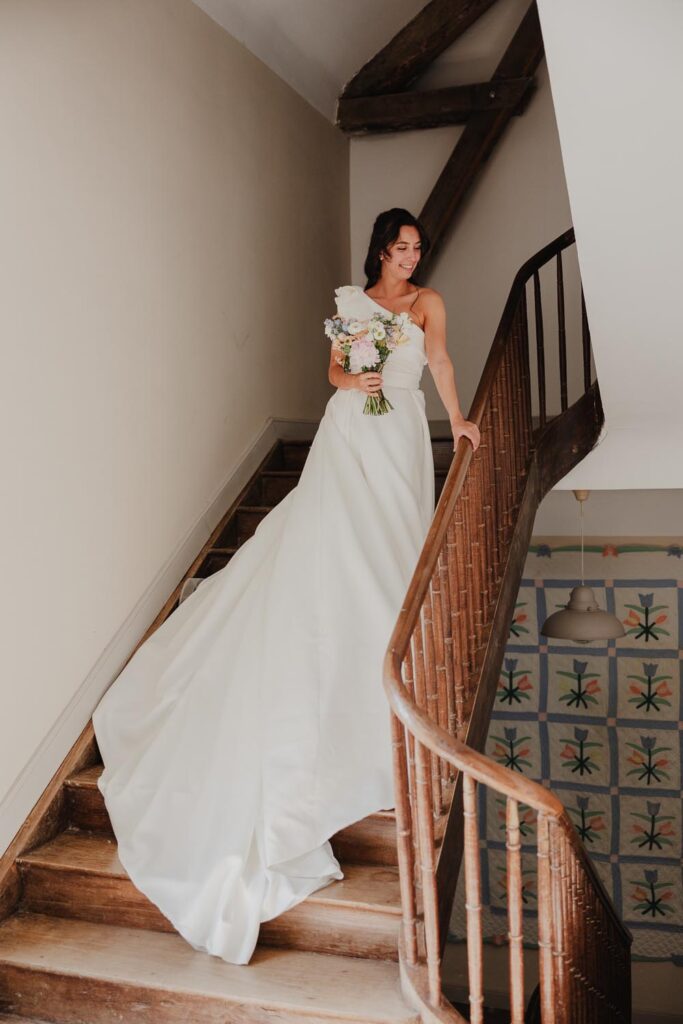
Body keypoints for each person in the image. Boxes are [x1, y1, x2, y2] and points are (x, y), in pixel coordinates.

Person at [92, 207, 480, 966]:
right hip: (351, 424)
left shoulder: (428, 303)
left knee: (396, 535)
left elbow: (438, 363)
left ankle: (389, 625)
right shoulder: (349, 304)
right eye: (399, 249)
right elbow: (333, 374)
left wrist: (458, 420)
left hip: (398, 427)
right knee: (334, 530)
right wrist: (353, 374)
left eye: (415, 249)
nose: (408, 258)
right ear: (379, 250)